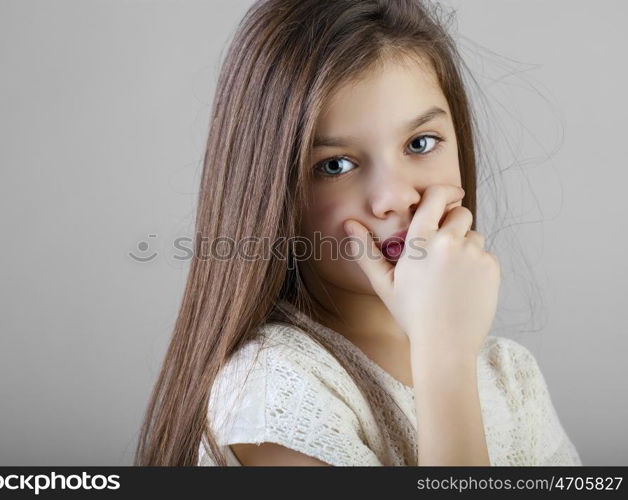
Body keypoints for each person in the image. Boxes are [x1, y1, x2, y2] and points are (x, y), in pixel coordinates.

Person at [134, 0, 583, 466]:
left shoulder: (509, 374)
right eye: (335, 165)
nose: (393, 198)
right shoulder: (274, 391)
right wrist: (443, 356)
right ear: (273, 195)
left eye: (420, 143)